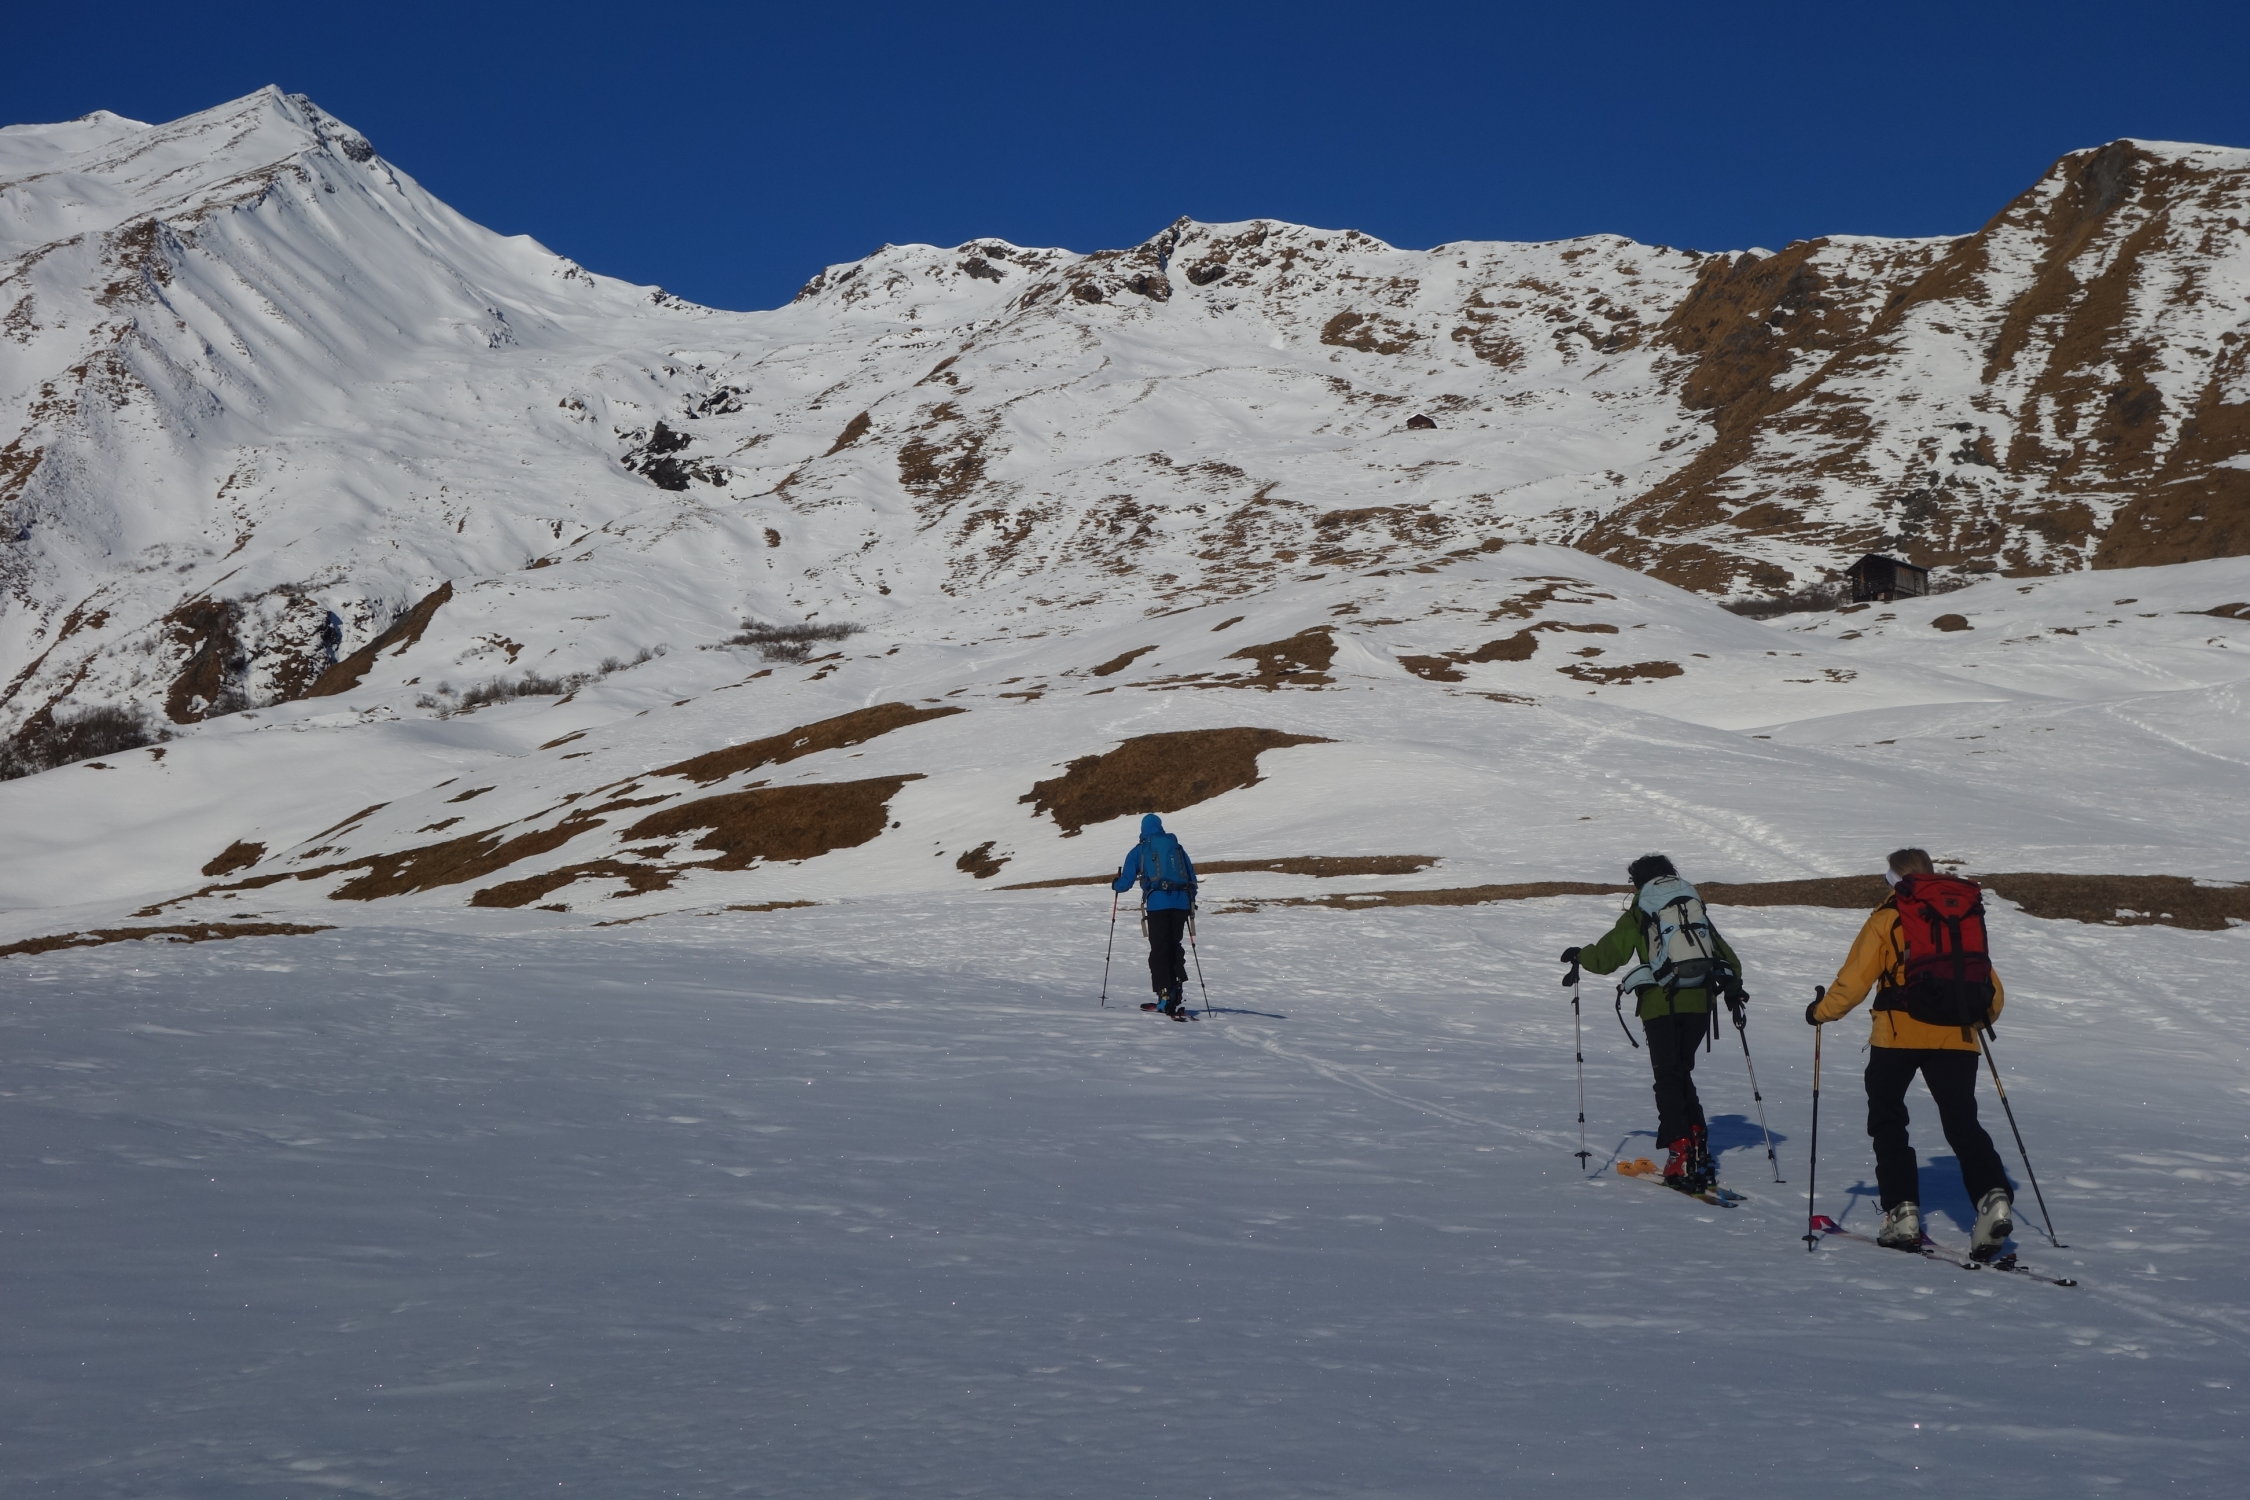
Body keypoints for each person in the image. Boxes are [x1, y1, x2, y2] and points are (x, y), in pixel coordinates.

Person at [1806, 847, 2014, 1257]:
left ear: (1892, 878)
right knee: (1961, 1122)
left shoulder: (1887, 918)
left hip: (1896, 1037)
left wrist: (1820, 1013)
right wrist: (1974, 1019)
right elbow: (1990, 987)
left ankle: (1901, 1213)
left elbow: (1854, 981)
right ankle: (1994, 1198)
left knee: (1888, 1120)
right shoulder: (1961, 916)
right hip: (1956, 1037)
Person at [1563, 853, 1745, 1193]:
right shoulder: (1689, 903)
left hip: (1660, 1005)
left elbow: (1608, 957)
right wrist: (1734, 991)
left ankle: (1679, 1153)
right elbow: (1726, 956)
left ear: (1638, 881)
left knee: (1668, 1077)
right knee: (1680, 1073)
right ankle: (1697, 1149)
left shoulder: (1643, 907)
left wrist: (1580, 955)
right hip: (1700, 1002)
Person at [1111, 813, 1198, 1018]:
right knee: (1174, 945)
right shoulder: (1177, 848)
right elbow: (1191, 877)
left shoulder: (1140, 850)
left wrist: (1115, 884)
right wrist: (1189, 900)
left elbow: (1125, 883)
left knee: (1159, 949)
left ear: (1143, 830)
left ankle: (1164, 995)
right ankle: (1176, 988)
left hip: (1158, 904)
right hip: (1181, 903)